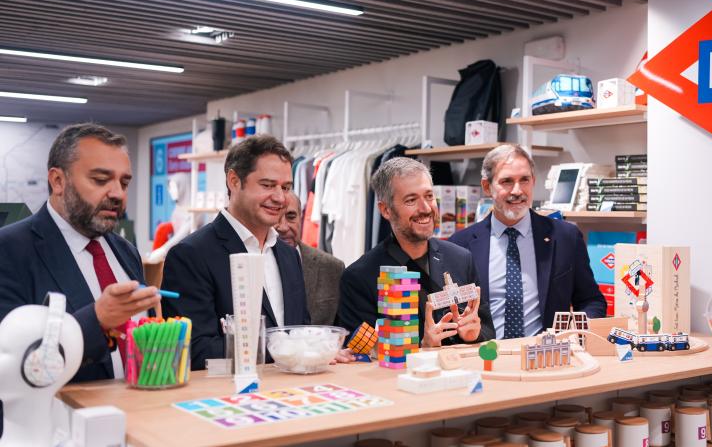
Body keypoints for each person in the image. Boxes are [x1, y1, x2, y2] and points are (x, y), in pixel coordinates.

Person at [0, 123, 160, 383]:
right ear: (58, 181)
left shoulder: (126, 252)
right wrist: (96, 320)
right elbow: (10, 363)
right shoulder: (9, 251)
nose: (118, 193)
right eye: (100, 180)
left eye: (124, 182)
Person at [161, 135, 312, 370]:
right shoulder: (190, 255)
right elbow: (194, 352)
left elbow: (301, 329)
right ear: (234, 181)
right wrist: (281, 349)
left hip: (291, 397)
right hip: (223, 399)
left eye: (286, 187)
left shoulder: (289, 255)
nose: (280, 198)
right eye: (268, 185)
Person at [449, 144, 606, 340]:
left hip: (547, 359)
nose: (517, 190)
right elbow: (451, 316)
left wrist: (579, 333)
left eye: (524, 180)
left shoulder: (566, 237)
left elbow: (591, 301)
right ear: (487, 187)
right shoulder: (460, 245)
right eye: (506, 181)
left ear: (533, 182)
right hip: (485, 359)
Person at [337, 157, 495, 347]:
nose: (426, 208)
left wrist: (474, 334)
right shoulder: (359, 278)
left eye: (429, 196)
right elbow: (358, 358)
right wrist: (422, 348)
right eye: (411, 200)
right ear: (386, 210)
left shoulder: (461, 259)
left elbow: (487, 330)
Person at [275, 191, 344, 326]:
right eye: (276, 217)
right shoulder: (252, 265)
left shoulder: (332, 268)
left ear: (301, 218)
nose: (283, 227)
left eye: (291, 216)